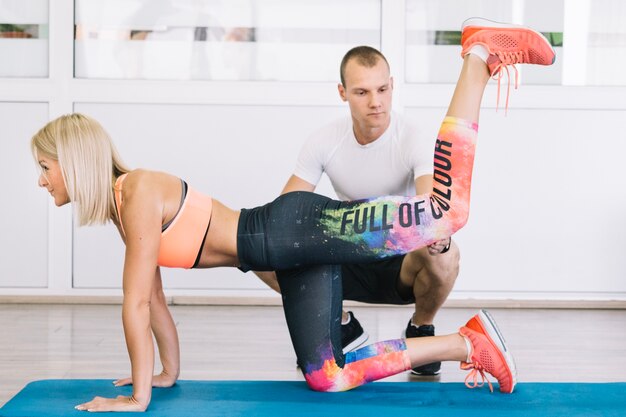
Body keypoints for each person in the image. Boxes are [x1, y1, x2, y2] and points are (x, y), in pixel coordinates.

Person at [31, 18, 554, 413]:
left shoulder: (138, 190)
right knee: (327, 376)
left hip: (294, 228)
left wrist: (138, 397)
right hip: (288, 250)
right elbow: (155, 303)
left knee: (443, 214)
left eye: (45, 167)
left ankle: (480, 55)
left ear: (74, 161)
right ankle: (469, 344)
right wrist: (165, 375)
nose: (42, 179)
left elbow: (135, 302)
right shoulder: (127, 209)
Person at [255, 46, 459, 376]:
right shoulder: (324, 140)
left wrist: (437, 233)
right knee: (259, 250)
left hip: (401, 262)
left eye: (382, 89)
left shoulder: (413, 138)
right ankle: (341, 324)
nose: (375, 102)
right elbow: (283, 213)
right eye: (362, 92)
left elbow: (430, 204)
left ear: (392, 86)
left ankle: (421, 328)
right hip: (345, 255)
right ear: (343, 93)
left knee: (447, 254)